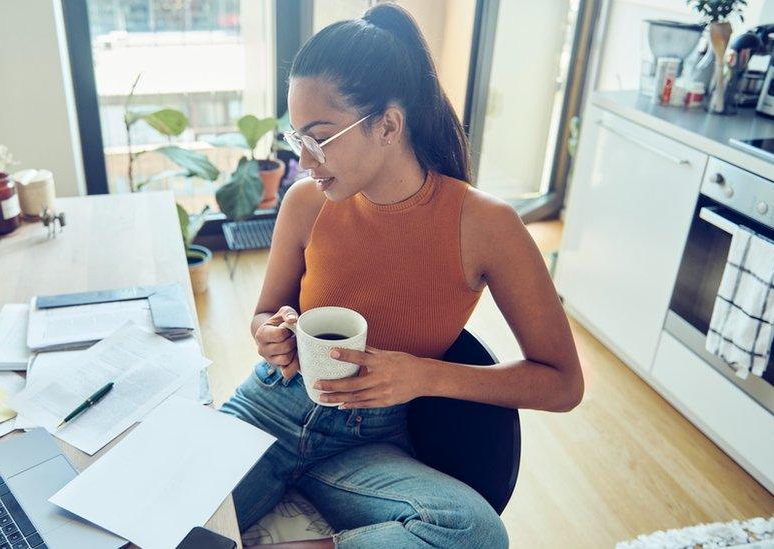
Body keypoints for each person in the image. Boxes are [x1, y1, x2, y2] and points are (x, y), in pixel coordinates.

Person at [219, 4, 584, 548]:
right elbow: (262, 315)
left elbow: (563, 383)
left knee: (476, 533)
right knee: (145, 523)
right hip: (269, 408)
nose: (305, 162)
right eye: (298, 140)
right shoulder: (304, 203)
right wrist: (268, 334)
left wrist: (423, 376)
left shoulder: (485, 226)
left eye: (318, 137)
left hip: (366, 442)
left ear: (388, 125)